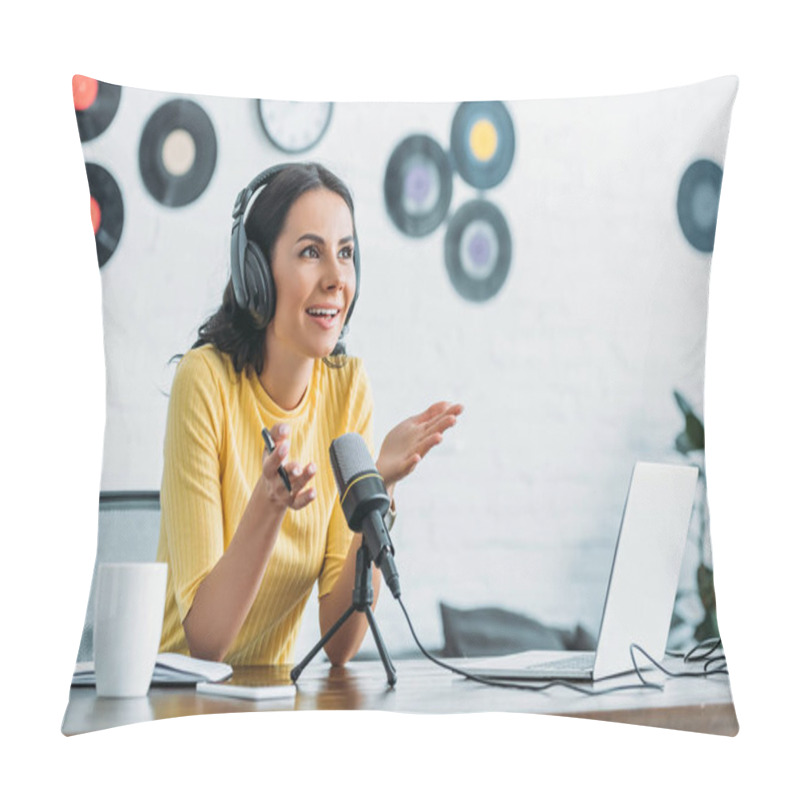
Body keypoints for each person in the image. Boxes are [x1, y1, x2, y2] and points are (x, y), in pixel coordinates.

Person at [156, 162, 462, 666]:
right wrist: (269, 504)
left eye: (345, 253)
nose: (336, 278)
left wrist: (378, 488)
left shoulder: (346, 389)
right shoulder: (205, 381)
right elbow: (205, 646)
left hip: (270, 701)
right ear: (256, 272)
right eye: (310, 252)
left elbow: (341, 645)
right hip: (175, 699)